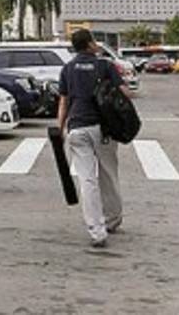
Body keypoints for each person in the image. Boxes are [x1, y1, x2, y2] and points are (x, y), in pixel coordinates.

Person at [57, 28, 133, 247]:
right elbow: (125, 93)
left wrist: (60, 129)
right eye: (94, 41)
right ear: (89, 45)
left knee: (86, 179)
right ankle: (113, 219)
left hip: (77, 128)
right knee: (108, 174)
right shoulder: (105, 66)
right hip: (103, 129)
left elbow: (63, 102)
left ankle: (97, 231)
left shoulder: (68, 69)